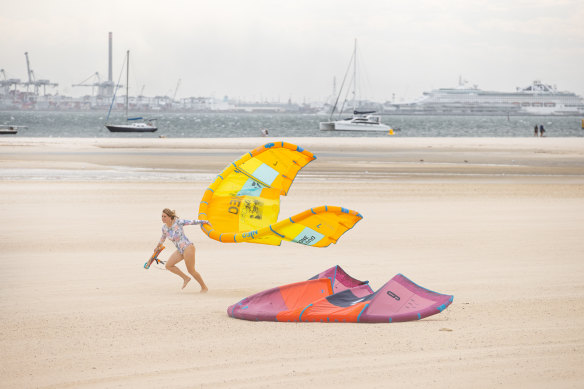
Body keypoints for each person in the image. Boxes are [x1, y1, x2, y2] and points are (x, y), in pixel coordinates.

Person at [155, 208, 209, 292]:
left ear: (170, 217)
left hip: (188, 247)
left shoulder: (178, 222)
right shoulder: (164, 228)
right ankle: (186, 278)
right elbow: (162, 238)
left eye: (164, 216)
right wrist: (157, 247)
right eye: (162, 216)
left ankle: (204, 287)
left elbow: (192, 222)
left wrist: (204, 221)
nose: (163, 218)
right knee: (168, 266)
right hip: (180, 250)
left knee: (191, 270)